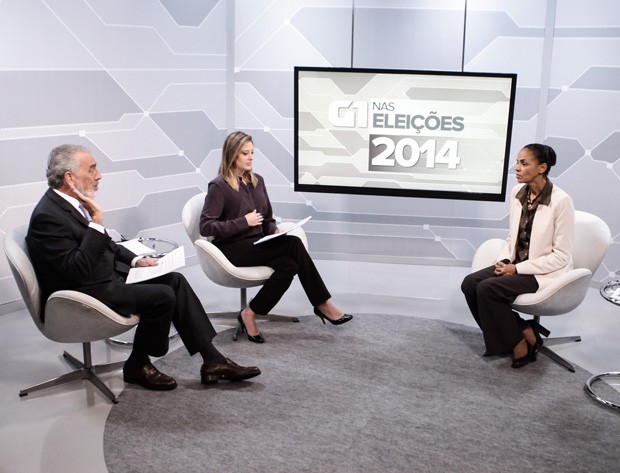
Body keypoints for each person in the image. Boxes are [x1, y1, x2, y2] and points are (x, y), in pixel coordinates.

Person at [26, 144, 261, 391]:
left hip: (101, 280)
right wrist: (96, 222)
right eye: (92, 168)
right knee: (161, 296)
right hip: (83, 293)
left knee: (175, 281)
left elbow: (106, 243)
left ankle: (213, 360)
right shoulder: (48, 216)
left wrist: (136, 260)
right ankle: (138, 364)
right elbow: (77, 270)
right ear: (70, 178)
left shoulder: (70, 203)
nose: (99, 175)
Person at [199, 131, 352, 343]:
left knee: (289, 265)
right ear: (232, 155)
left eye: (252, 152)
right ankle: (322, 303)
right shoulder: (219, 186)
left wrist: (273, 231)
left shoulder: (257, 181)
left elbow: (268, 218)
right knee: (294, 244)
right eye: (245, 153)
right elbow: (206, 226)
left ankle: (250, 313)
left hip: (257, 244)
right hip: (232, 250)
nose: (251, 157)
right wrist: (244, 222)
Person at [461, 143, 574, 368]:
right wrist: (505, 260)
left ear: (542, 167)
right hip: (516, 264)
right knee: (470, 283)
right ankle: (523, 330)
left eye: (524, 163)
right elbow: (513, 236)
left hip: (542, 271)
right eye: (517, 162)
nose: (517, 168)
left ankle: (518, 343)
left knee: (487, 289)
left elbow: (561, 256)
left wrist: (516, 269)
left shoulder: (561, 201)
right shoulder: (518, 193)